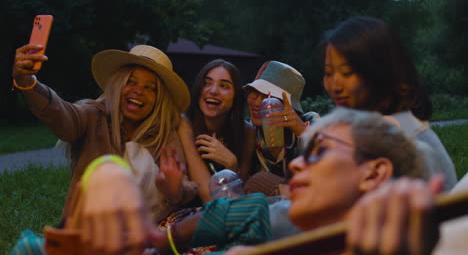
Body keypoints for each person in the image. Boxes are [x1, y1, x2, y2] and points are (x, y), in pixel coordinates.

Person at [25, 107, 441, 255]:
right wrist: (107, 175)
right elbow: (235, 212)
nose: (297, 166)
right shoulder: (280, 220)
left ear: (375, 172)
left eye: (318, 152)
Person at [11, 43, 198, 223]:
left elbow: (187, 186)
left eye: (149, 88)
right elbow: (59, 112)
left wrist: (176, 190)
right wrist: (27, 82)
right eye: (131, 81)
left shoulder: (165, 134)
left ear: (160, 99)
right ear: (118, 84)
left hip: (153, 231)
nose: (138, 91)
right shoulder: (92, 117)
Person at [319, 15, 457, 190]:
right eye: (328, 73)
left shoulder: (407, 142)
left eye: (347, 73)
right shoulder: (370, 129)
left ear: (379, 72)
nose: (335, 85)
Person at [181, 59, 256, 202]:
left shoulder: (247, 132)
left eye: (224, 86)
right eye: (207, 83)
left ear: (235, 97)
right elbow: (208, 196)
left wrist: (232, 166)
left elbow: (242, 195)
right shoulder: (184, 124)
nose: (213, 91)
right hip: (194, 210)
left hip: (230, 209)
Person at [242, 60, 319, 197]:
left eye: (268, 98)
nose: (257, 102)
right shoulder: (250, 131)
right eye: (254, 93)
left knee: (260, 181)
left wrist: (301, 130)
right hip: (270, 211)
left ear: (289, 106)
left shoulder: (310, 123)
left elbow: (329, 162)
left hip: (310, 202)